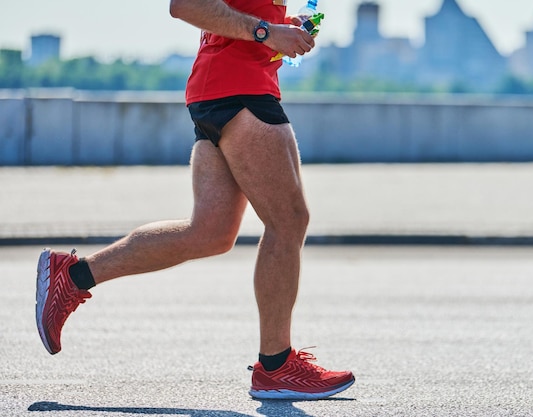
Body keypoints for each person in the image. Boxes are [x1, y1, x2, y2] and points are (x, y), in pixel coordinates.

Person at [35, 0, 355, 401]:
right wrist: (267, 32)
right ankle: (276, 366)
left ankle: (73, 276)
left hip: (221, 90)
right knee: (289, 220)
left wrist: (281, 26)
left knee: (210, 232)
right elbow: (185, 4)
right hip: (240, 91)